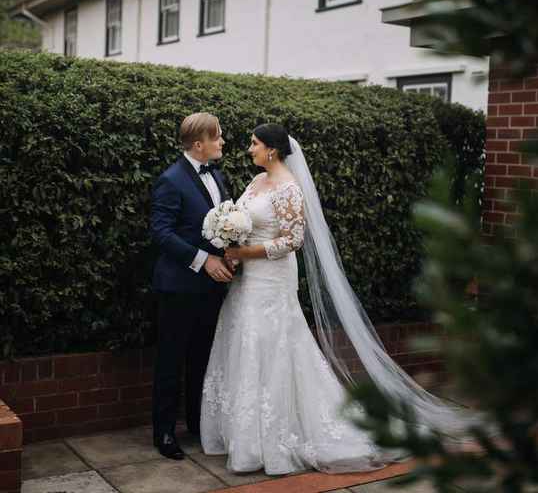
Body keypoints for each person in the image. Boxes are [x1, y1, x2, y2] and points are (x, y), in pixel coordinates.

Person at [200, 123, 484, 475]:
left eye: (254, 144)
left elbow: (292, 241)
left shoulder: (288, 187)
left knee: (274, 348)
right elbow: (244, 221)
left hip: (271, 281)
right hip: (247, 282)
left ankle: (275, 440)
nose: (249, 149)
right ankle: (244, 436)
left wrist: (245, 252)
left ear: (272, 149)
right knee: (245, 344)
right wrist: (228, 234)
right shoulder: (256, 181)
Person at [150, 112, 234, 460]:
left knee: (202, 357)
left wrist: (230, 253)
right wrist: (204, 260)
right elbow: (161, 233)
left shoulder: (218, 174)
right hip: (178, 286)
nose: (223, 142)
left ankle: (198, 426)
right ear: (198, 144)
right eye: (217, 138)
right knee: (171, 361)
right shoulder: (170, 180)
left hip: (212, 289)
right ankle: (164, 433)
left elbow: (224, 222)